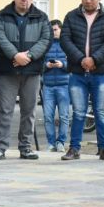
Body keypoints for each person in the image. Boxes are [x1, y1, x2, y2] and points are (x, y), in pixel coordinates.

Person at [0, 0, 51, 161]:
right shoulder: (2, 16)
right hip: (8, 71)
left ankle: (26, 147)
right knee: (5, 110)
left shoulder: (41, 17)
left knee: (29, 111)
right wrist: (15, 55)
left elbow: (46, 40)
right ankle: (0, 148)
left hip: (32, 71)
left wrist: (28, 56)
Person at [60, 0, 104, 161]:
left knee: (100, 111)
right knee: (78, 112)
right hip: (78, 72)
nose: (88, 1)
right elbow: (65, 40)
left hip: (100, 72)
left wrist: (94, 59)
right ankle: (74, 148)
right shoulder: (71, 16)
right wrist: (81, 59)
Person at [41, 19, 70, 152]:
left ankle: (61, 142)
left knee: (64, 116)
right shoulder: (45, 45)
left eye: (55, 30)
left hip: (64, 85)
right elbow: (38, 65)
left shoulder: (68, 45)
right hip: (48, 86)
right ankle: (51, 143)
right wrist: (46, 65)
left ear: (61, 30)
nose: (53, 32)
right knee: (48, 116)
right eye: (51, 30)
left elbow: (75, 64)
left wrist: (62, 65)